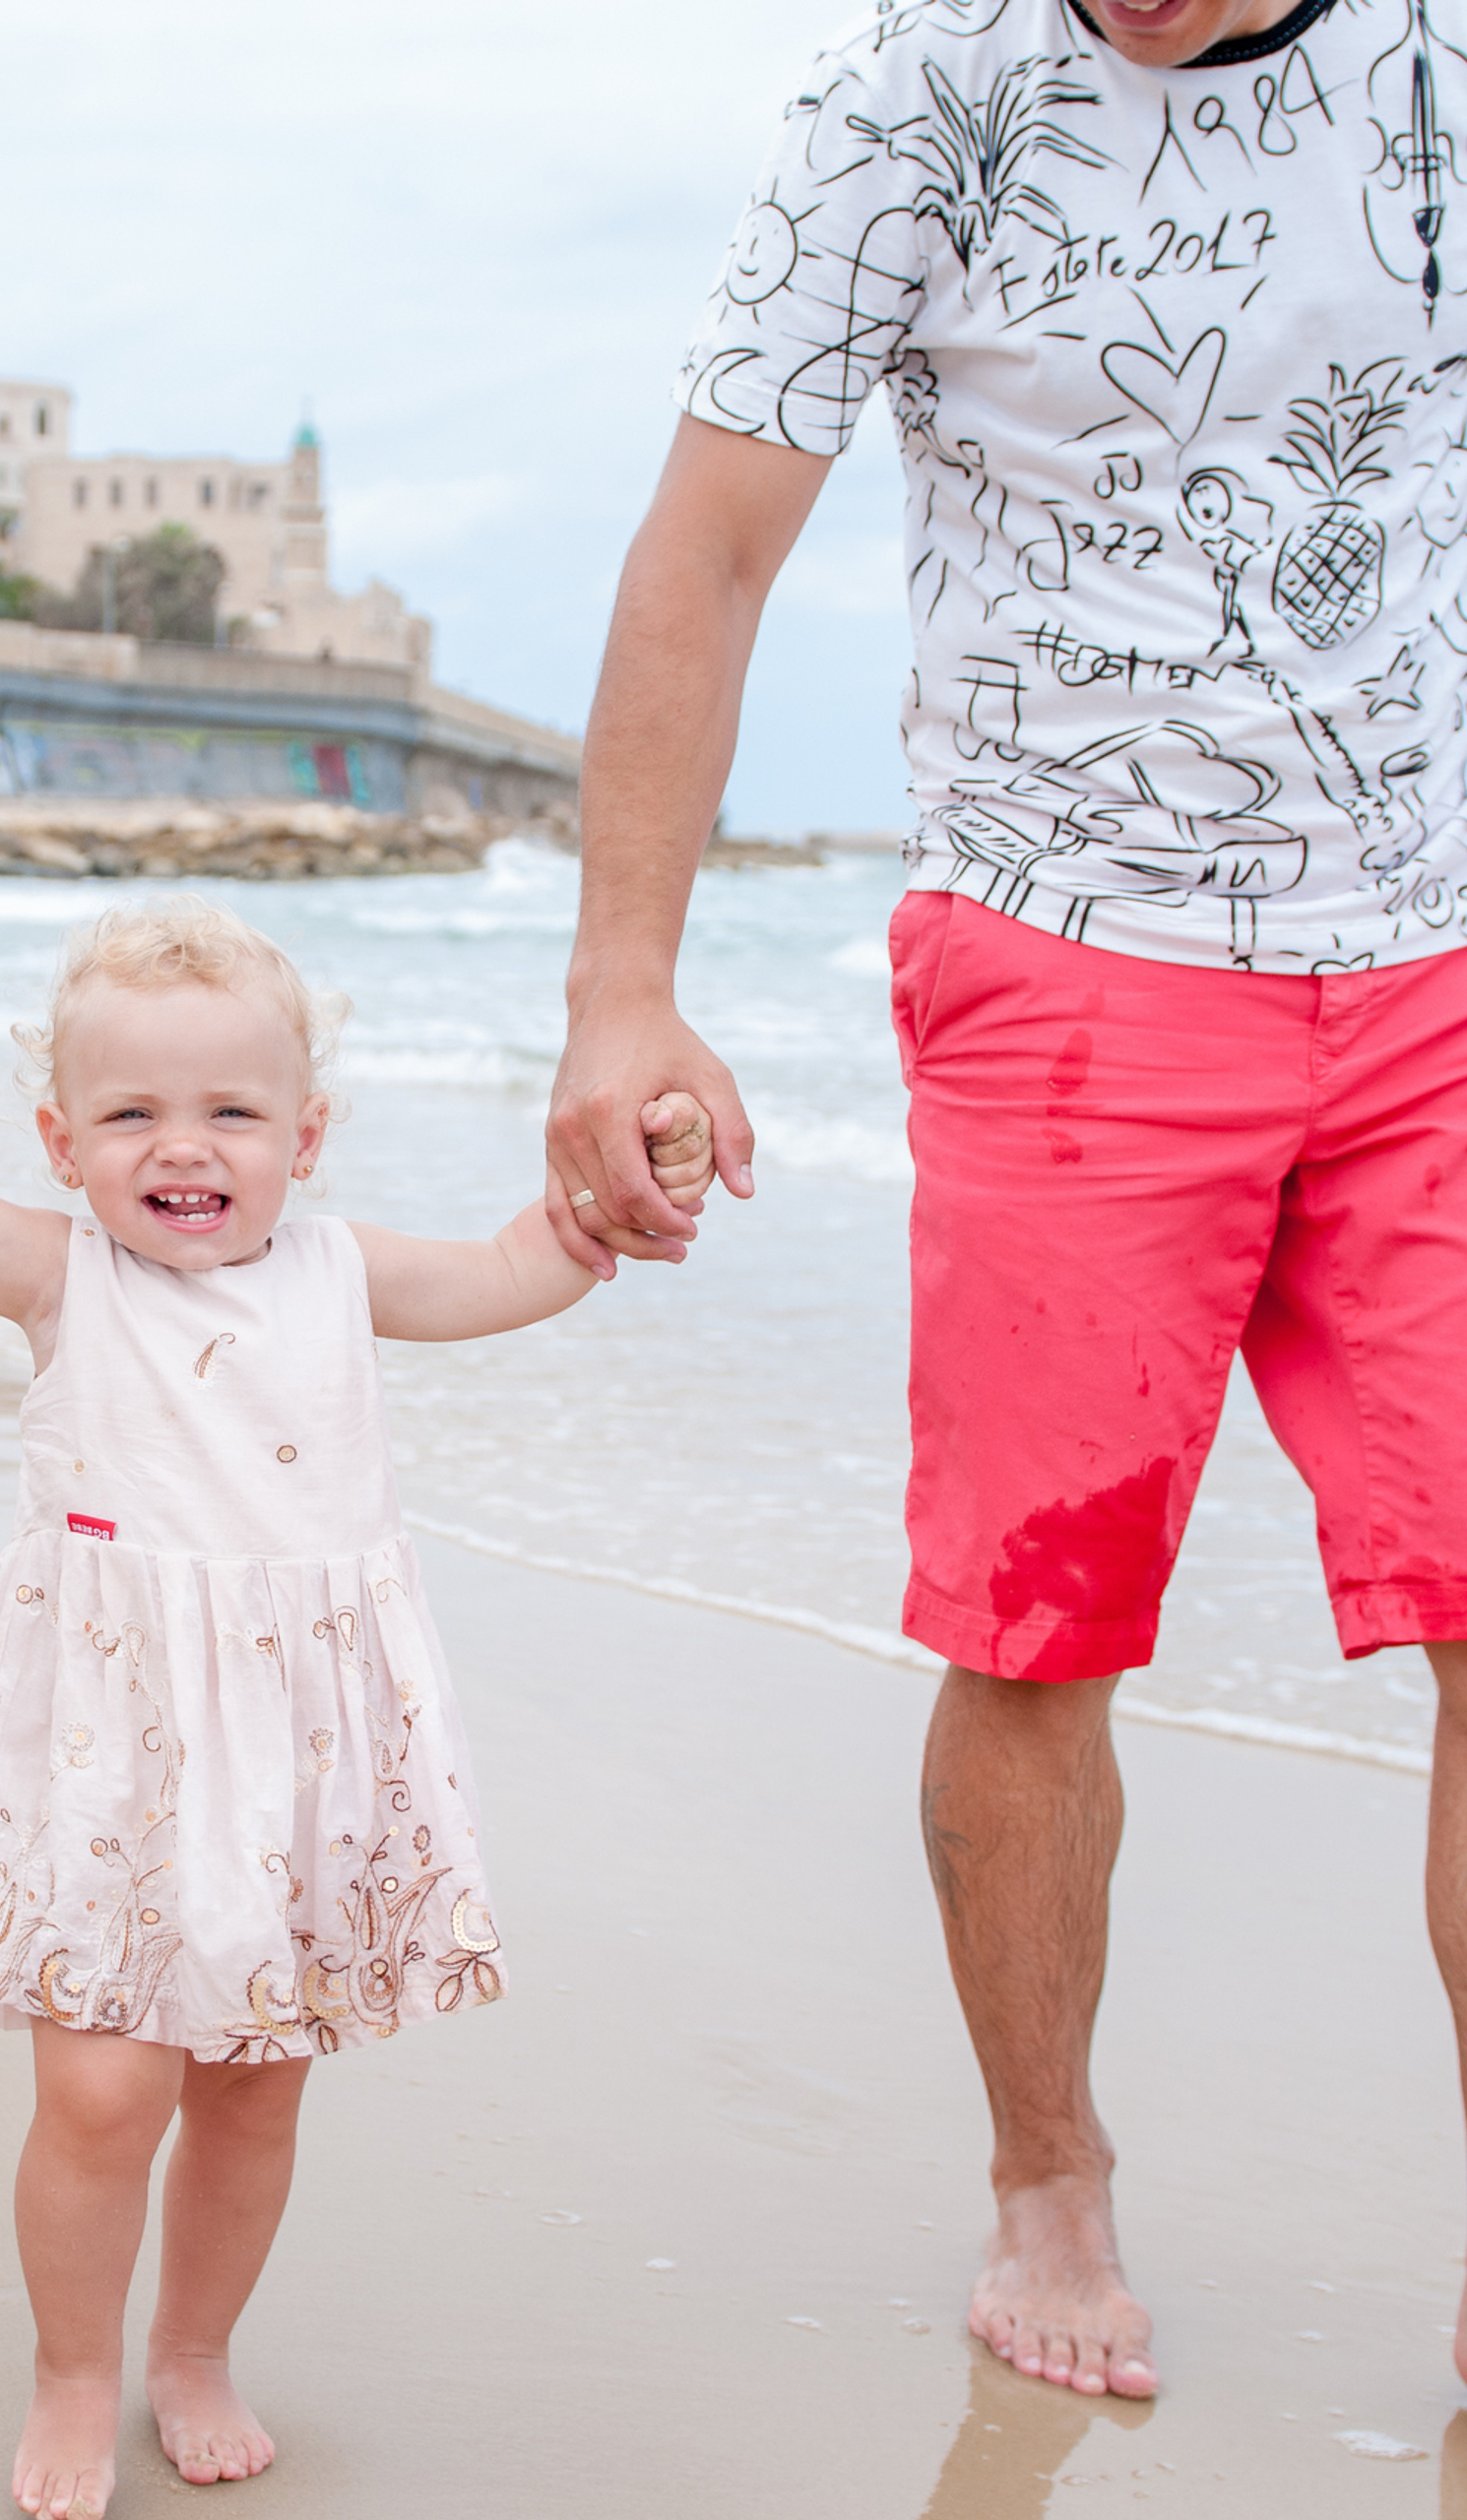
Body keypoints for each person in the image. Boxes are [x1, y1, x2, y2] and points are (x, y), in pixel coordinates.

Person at [545, 0, 1467, 2407]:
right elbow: (708, 547)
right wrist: (619, 989)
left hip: (1443, 954)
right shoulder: (903, 94)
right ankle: (1044, 2173)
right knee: (1036, 1625)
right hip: (1067, 949)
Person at [0, 898, 708, 2517]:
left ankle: (192, 2349)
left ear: (306, 1135)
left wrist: (628, 1189)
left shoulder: (343, 1273)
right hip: (112, 1750)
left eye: (230, 1113)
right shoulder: (61, 1276)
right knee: (103, 2089)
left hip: (300, 1756)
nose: (178, 1147)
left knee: (256, 2083)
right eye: (129, 1113)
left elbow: (515, 1266)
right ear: (63, 1141)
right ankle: (74, 2369)